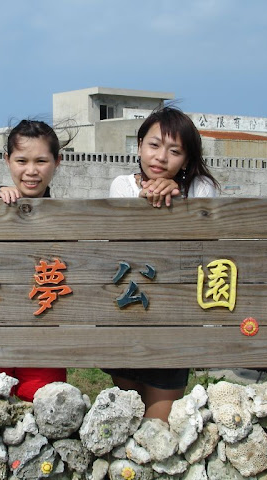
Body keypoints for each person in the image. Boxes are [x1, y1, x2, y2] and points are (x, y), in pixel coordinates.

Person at [105, 105, 219, 421]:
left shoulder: (201, 188)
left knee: (160, 425)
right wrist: (149, 198)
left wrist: (176, 195)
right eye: (154, 145)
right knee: (128, 418)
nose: (161, 157)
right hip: (129, 316)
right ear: (139, 145)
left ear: (187, 158)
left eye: (174, 151)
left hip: (173, 323)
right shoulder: (122, 185)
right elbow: (125, 241)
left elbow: (200, 243)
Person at [0, 119, 68, 402]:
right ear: (7, 160)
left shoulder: (66, 216)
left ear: (57, 162)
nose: (31, 171)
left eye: (41, 161)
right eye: (21, 161)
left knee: (42, 399)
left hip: (41, 338)